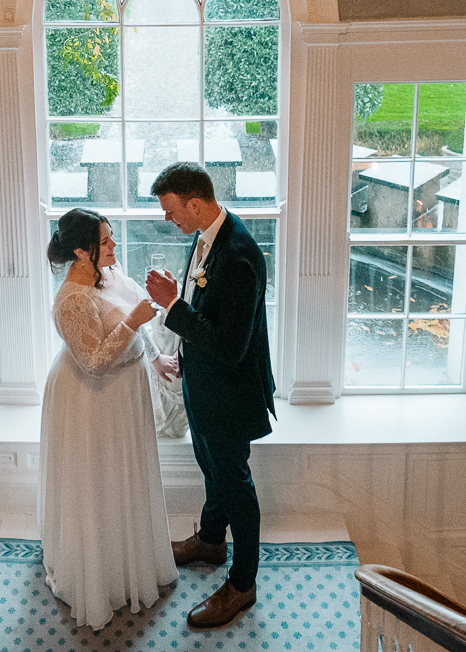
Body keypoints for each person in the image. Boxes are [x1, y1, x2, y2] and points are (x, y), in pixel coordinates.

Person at [144, 162, 276, 631]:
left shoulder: (239, 256)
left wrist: (172, 306)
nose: (167, 218)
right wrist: (182, 347)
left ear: (195, 204)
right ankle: (212, 541)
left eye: (171, 210)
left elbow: (230, 345)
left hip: (230, 394)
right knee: (211, 466)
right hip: (203, 384)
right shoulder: (204, 237)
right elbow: (207, 314)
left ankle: (242, 585)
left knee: (235, 483)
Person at [39, 208, 177, 629]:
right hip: (92, 400)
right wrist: (134, 323)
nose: (114, 245)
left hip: (126, 392)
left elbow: (134, 314)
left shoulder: (110, 274)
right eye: (105, 240)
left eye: (112, 237)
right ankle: (101, 578)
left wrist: (155, 360)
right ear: (81, 252)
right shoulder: (71, 301)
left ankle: (133, 561)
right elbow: (95, 361)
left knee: (127, 478)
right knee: (99, 483)